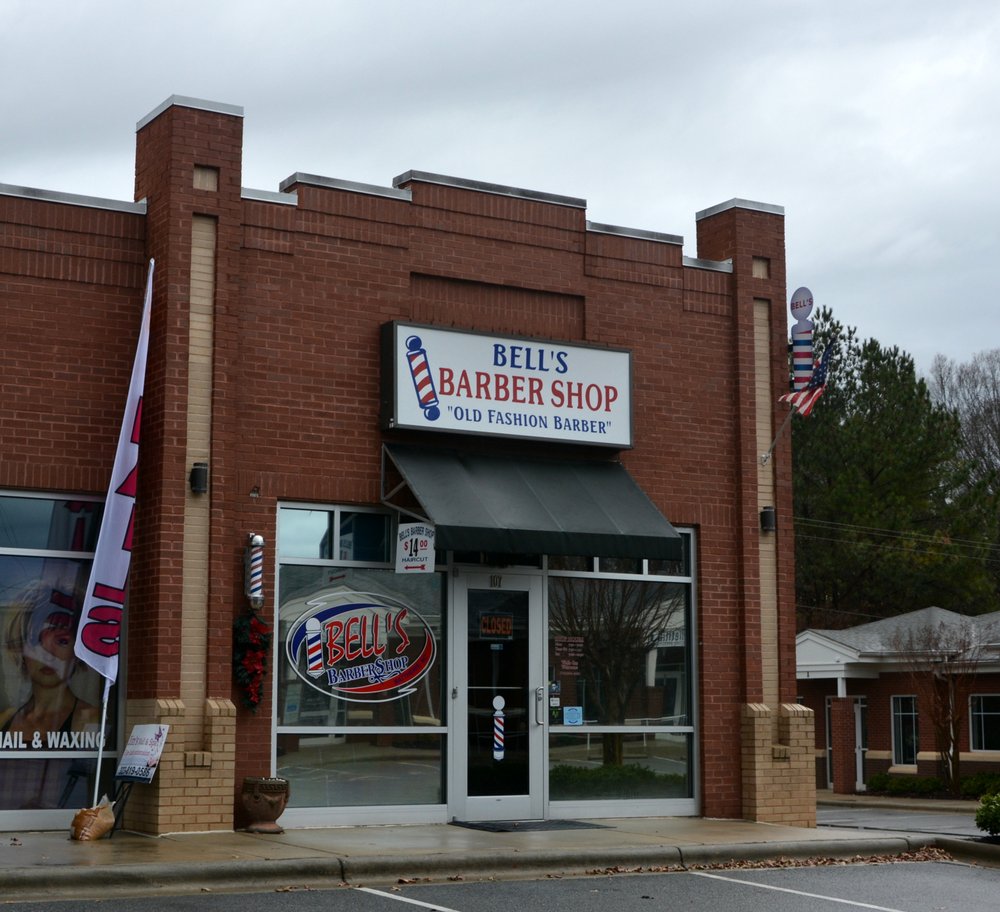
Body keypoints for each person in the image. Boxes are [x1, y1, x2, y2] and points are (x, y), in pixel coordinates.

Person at [0, 585, 99, 738]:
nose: (47, 655)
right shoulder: (5, 719)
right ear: (21, 649)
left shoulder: (90, 720)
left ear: (77, 650)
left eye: (62, 641)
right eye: (35, 642)